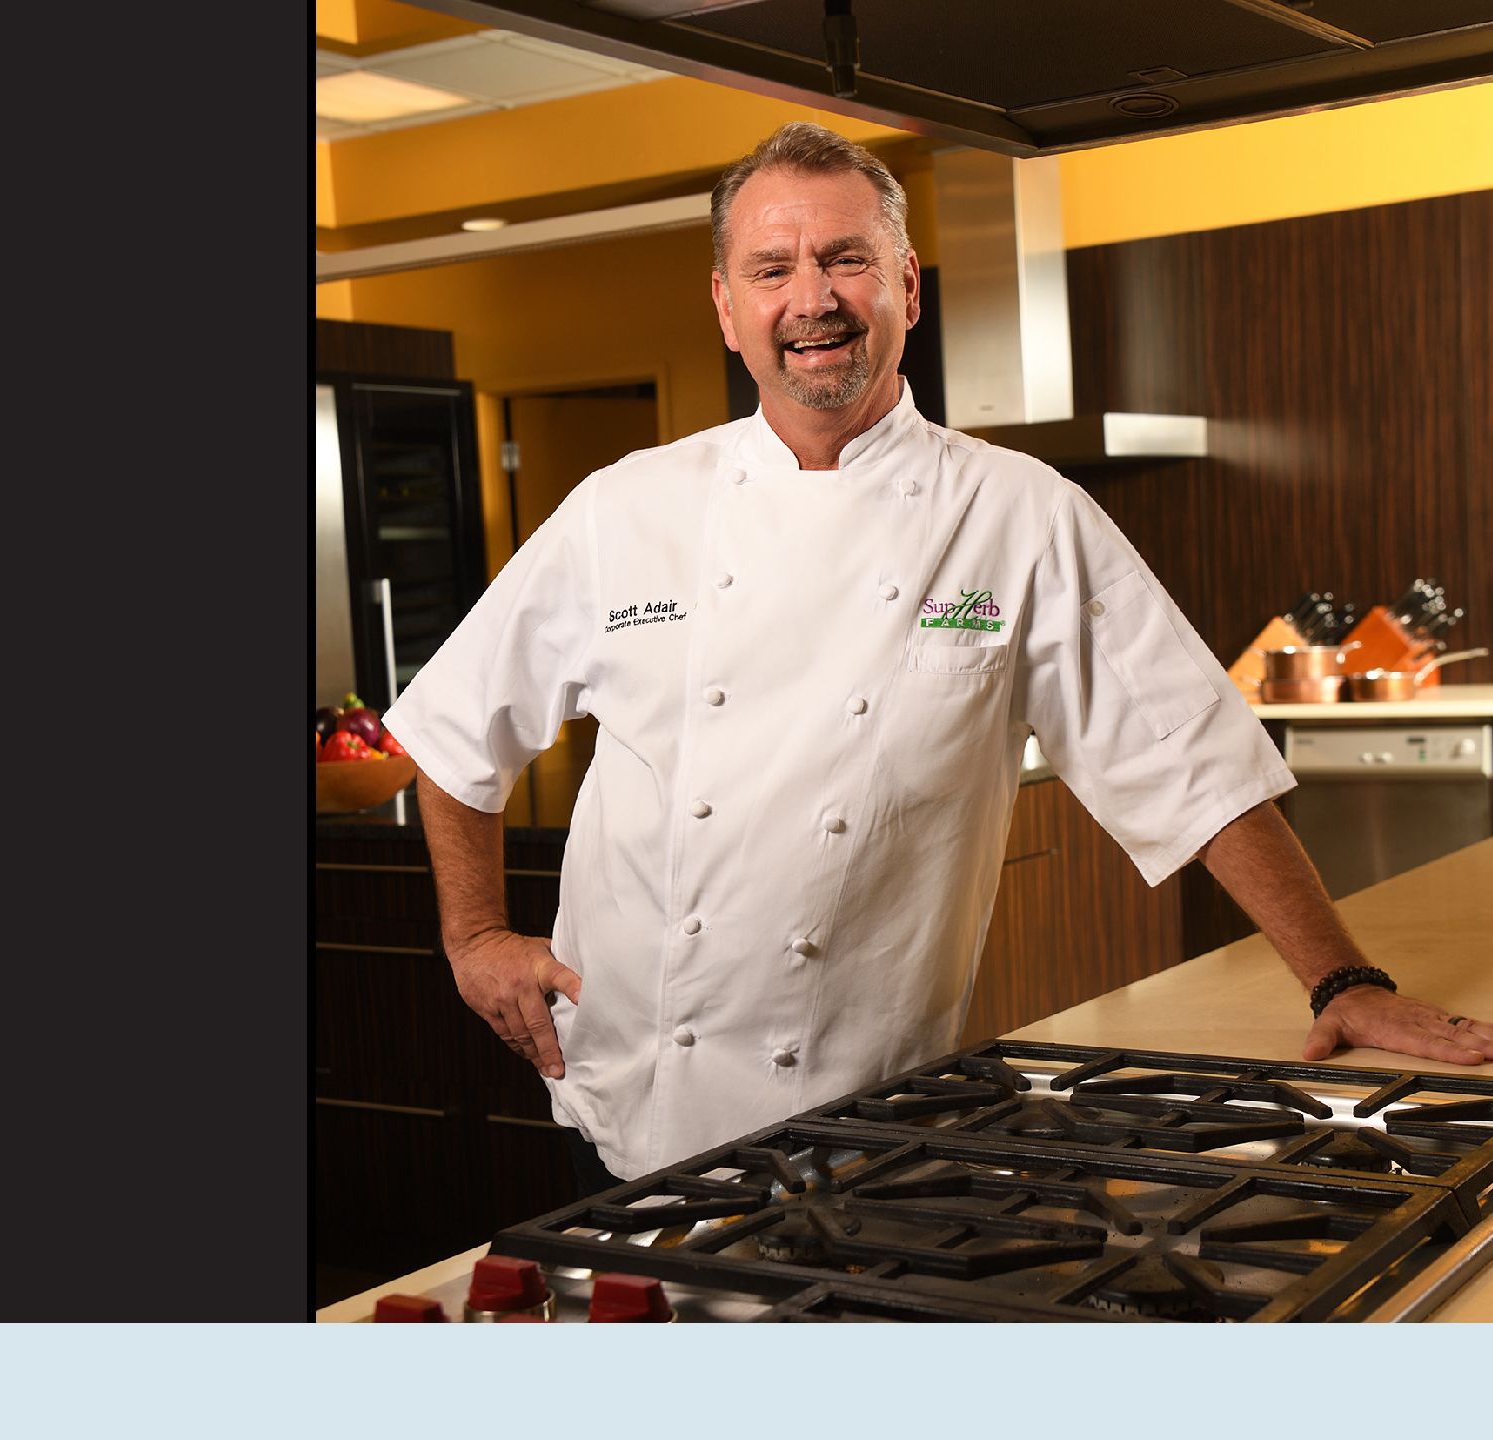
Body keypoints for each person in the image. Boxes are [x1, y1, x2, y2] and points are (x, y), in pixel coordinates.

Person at [376, 121, 1491, 1191]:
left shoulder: (1016, 515)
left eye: (844, 260)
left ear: (907, 287)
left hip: (863, 1116)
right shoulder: (624, 508)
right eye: (771, 269)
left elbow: (1189, 758)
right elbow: (454, 725)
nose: (810, 299)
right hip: (619, 1094)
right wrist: (472, 936)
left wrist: (1341, 977)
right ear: (726, 309)